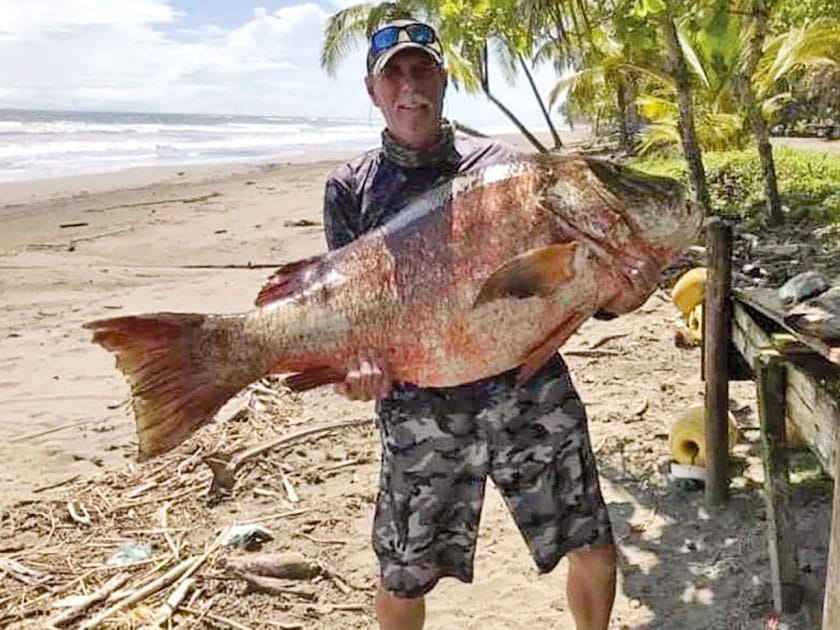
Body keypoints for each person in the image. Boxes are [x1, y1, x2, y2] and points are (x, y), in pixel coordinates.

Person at [322, 18, 617, 630]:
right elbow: (349, 315)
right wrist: (355, 370)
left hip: (528, 388)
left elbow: (563, 284)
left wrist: (615, 293)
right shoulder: (350, 189)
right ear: (372, 90)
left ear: (444, 78)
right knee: (404, 571)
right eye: (393, 75)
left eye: (422, 69)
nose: (410, 87)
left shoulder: (507, 171)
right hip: (418, 406)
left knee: (589, 537)